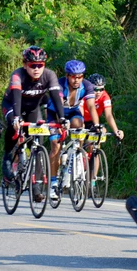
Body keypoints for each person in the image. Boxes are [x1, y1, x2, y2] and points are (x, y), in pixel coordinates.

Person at [1, 46, 65, 203]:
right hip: (12, 105)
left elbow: (56, 97)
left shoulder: (49, 75)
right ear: (25, 65)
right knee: (13, 126)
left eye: (40, 65)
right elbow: (16, 97)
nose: (37, 69)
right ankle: (8, 158)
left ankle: (36, 186)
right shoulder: (17, 75)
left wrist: (62, 119)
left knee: (37, 144)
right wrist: (16, 118)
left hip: (33, 109)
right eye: (32, 65)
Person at [46, 60, 99, 199]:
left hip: (72, 112)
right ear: (67, 76)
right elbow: (58, 107)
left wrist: (97, 125)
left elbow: (91, 107)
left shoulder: (87, 85)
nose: (77, 80)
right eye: (74, 77)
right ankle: (53, 183)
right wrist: (61, 122)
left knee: (78, 124)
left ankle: (77, 154)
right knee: (55, 147)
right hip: (55, 113)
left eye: (80, 76)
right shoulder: (58, 84)